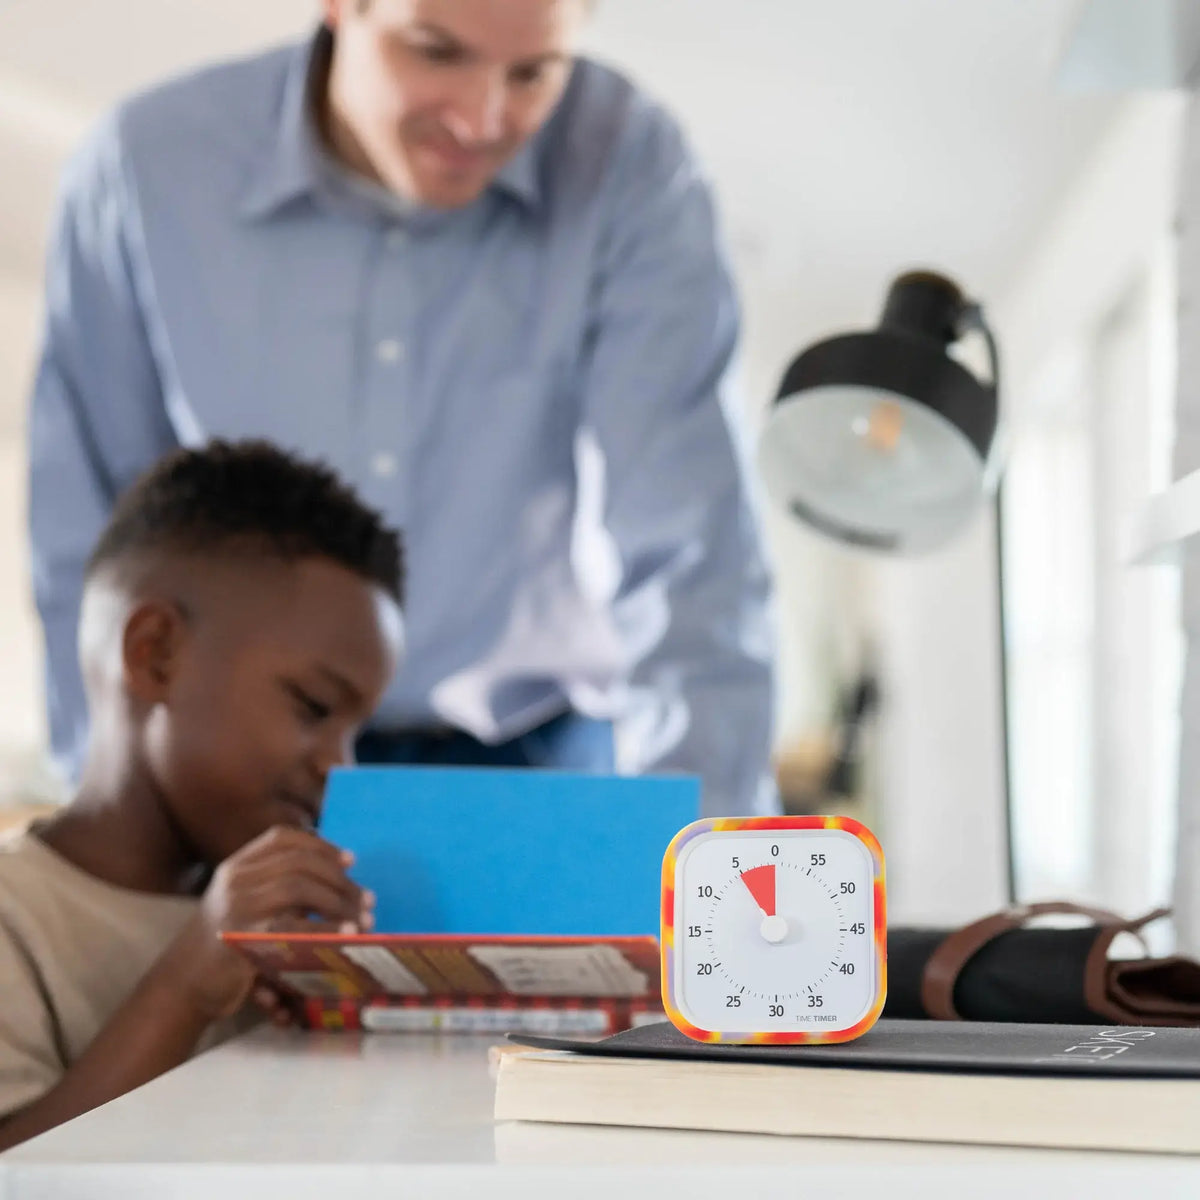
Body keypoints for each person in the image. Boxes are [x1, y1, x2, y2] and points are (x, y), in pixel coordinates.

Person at [29, 0, 776, 815]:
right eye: (435, 52)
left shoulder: (628, 161)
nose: (482, 118)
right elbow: (91, 539)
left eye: (532, 72)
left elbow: (691, 551)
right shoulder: (146, 166)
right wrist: (107, 816)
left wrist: (716, 866)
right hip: (246, 750)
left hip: (542, 746)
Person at [0, 441, 404, 1150]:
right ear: (156, 653)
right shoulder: (17, 918)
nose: (341, 766)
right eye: (313, 706)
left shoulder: (298, 918)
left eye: (356, 730)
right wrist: (188, 984)